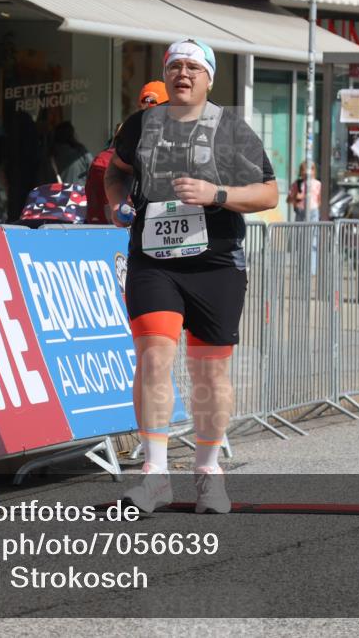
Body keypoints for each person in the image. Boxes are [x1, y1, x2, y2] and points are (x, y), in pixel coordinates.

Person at [104, 39, 278, 514]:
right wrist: (117, 202)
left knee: (209, 372)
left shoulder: (232, 129)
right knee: (155, 358)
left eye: (193, 68)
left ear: (209, 78)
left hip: (215, 263)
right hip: (154, 261)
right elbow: (115, 171)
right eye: (175, 66)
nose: (183, 74)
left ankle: (207, 473)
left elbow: (268, 194)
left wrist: (216, 193)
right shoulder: (139, 125)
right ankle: (155, 475)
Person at [84, 81, 169, 223]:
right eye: (145, 113)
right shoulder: (127, 143)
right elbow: (114, 175)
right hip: (134, 230)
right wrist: (119, 207)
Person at [45, 120, 92, 187]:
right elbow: (93, 169)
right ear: (72, 135)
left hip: (57, 195)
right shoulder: (81, 152)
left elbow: (42, 179)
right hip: (79, 193)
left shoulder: (51, 154)